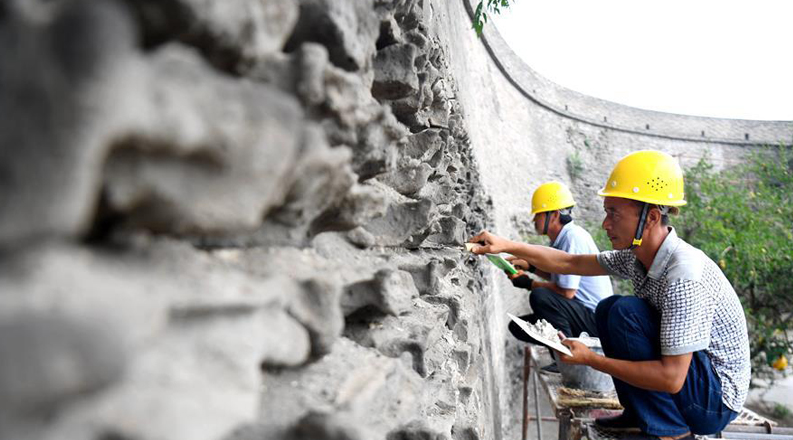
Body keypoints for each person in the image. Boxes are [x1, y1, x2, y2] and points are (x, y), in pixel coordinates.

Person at [469, 150, 750, 440]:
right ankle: (640, 417)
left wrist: (592, 359)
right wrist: (505, 245)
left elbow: (672, 376)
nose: (605, 223)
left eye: (614, 213)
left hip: (713, 403)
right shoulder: (637, 258)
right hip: (692, 381)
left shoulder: (683, 276)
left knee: (625, 311)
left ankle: (673, 432)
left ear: (651, 217)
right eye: (606, 212)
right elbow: (570, 262)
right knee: (610, 308)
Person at [505, 182, 613, 367]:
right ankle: (563, 352)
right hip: (581, 315)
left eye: (538, 215)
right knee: (519, 327)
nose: (534, 221)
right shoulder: (565, 238)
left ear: (553, 215)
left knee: (540, 297)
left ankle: (566, 358)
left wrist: (529, 283)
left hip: (595, 322)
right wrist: (531, 267)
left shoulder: (572, 238)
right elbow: (561, 280)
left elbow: (566, 292)